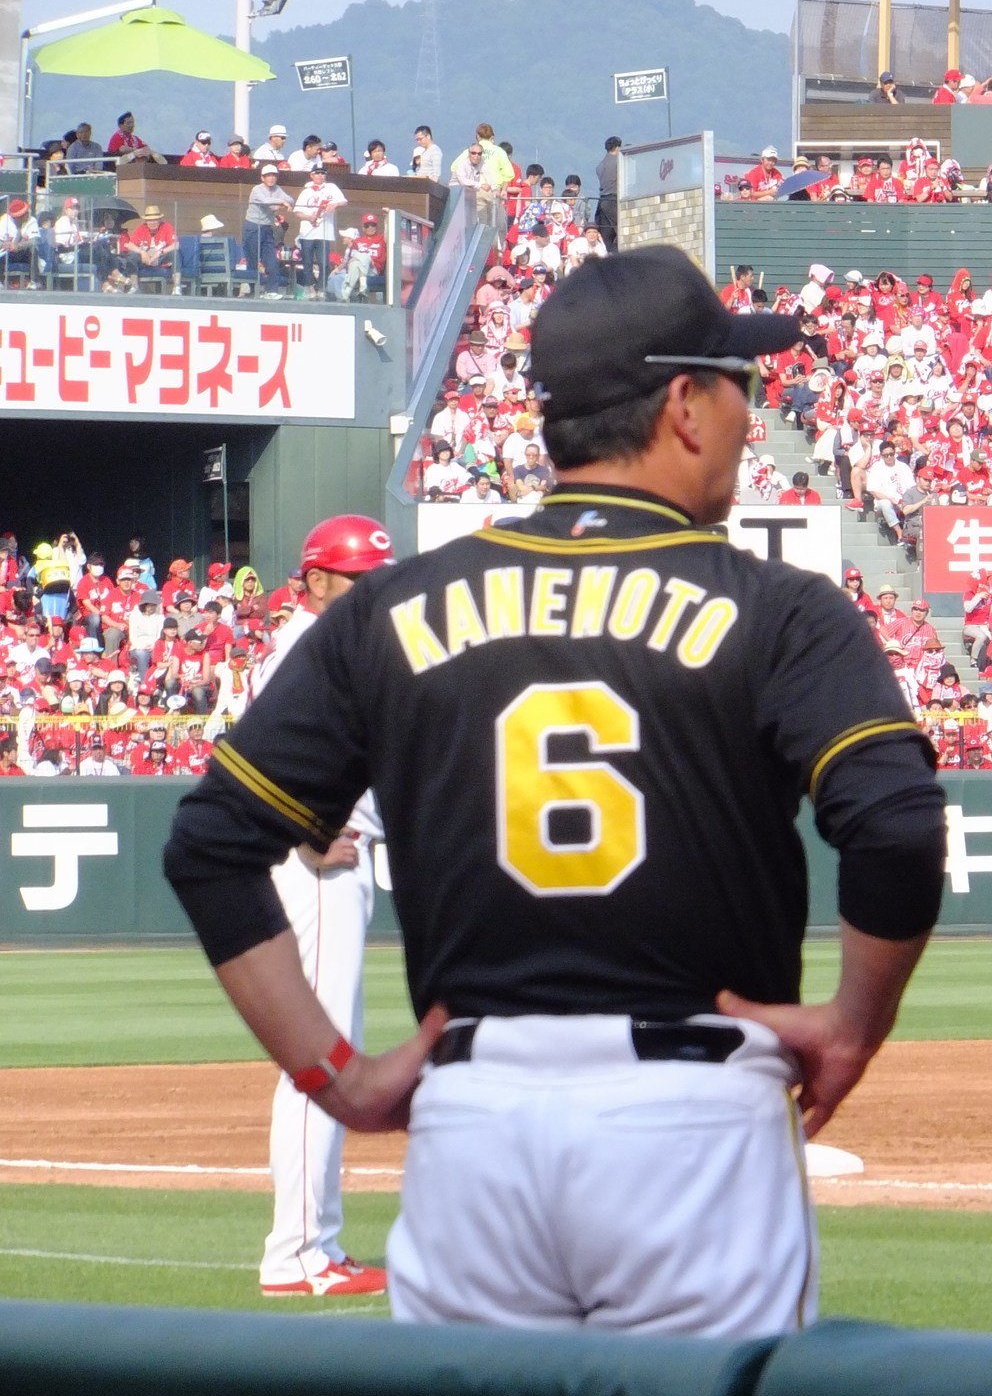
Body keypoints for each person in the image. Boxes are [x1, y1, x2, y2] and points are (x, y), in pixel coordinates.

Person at [163, 245, 947, 1335]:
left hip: (472, 1126)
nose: (749, 419)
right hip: (694, 1121)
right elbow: (898, 826)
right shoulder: (783, 607)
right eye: (738, 388)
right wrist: (854, 1026)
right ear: (683, 402)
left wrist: (337, 1077)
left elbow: (209, 845)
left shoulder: (387, 607)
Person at [249, 516, 395, 1297]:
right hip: (315, 869)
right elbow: (257, 748)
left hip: (339, 864)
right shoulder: (301, 649)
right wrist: (305, 829)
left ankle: (320, 1245)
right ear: (314, 583)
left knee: (332, 1056)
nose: (374, 590)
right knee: (319, 1060)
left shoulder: (341, 648)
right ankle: (298, 1254)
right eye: (357, 579)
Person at [294, 166, 347, 296]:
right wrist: (309, 217)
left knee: (324, 263)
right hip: (307, 232)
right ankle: (310, 288)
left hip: (324, 232)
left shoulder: (331, 187)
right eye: (317, 173)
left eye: (323, 173)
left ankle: (322, 288)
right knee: (307, 262)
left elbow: (344, 201)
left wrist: (335, 204)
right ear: (312, 175)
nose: (320, 176)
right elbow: (297, 212)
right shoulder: (306, 191)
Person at [245, 164, 293, 297]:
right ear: (262, 178)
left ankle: (271, 291)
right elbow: (266, 201)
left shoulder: (277, 189)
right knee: (252, 260)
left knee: (272, 260)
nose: (271, 178)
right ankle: (253, 290)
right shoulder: (257, 189)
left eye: (274, 175)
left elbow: (290, 199)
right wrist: (282, 203)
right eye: (268, 176)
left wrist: (282, 202)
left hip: (267, 227)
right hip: (253, 226)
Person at [595, 135, 621, 250]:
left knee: (606, 236)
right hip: (614, 200)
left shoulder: (600, 165)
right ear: (617, 147)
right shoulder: (619, 162)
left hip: (602, 201)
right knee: (620, 230)